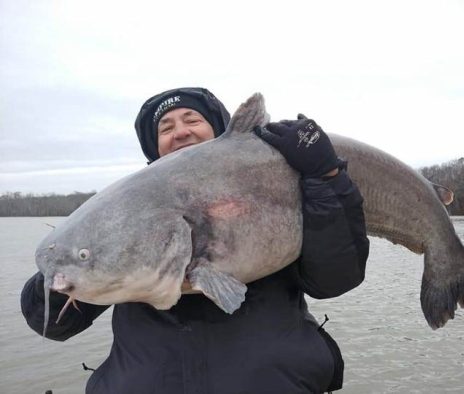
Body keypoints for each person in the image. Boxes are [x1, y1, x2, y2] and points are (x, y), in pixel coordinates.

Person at [21, 87, 369, 394]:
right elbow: (53, 325)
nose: (181, 131)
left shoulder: (281, 183)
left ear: (216, 129)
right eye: (166, 127)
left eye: (192, 119)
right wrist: (59, 273)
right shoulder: (121, 218)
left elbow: (337, 279)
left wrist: (327, 178)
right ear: (154, 146)